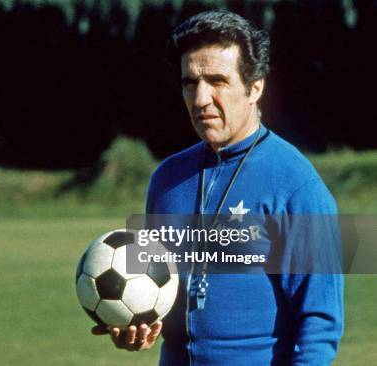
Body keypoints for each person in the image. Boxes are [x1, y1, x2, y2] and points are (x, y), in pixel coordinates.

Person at [93, 10, 343, 365]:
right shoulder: (166, 180)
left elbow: (319, 325)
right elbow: (156, 290)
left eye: (217, 81)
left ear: (255, 87)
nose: (200, 99)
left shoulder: (297, 186)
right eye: (190, 83)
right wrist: (138, 322)